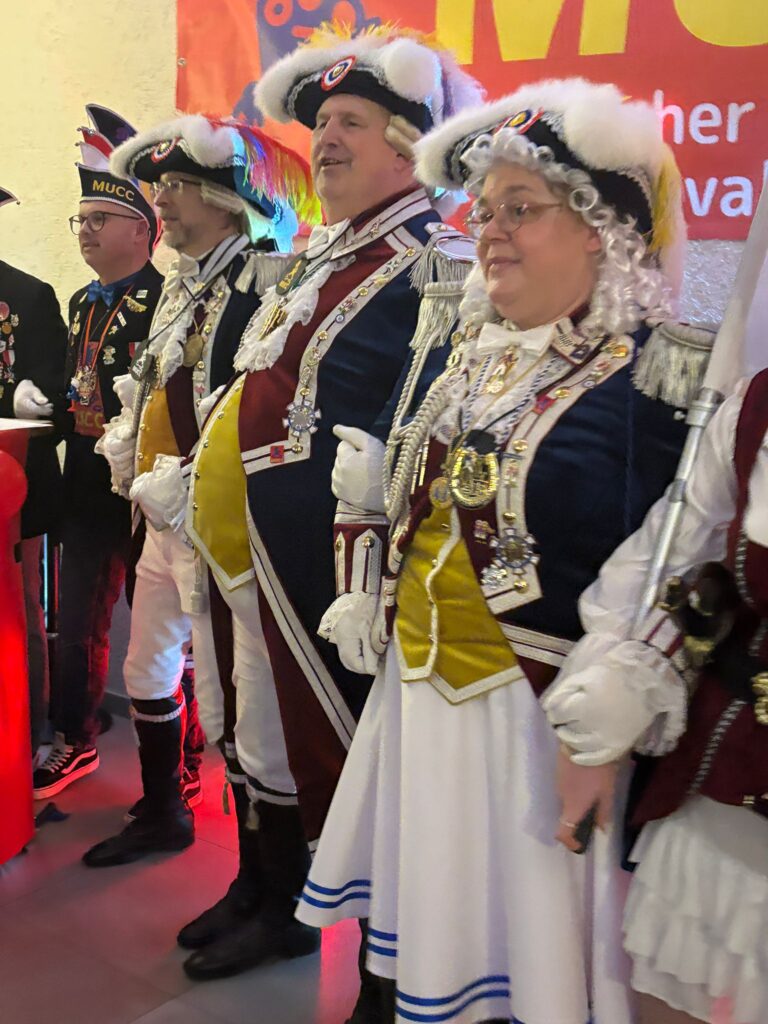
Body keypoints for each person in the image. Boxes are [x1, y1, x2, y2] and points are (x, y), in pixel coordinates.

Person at [296, 78, 699, 1024]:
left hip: (539, 726)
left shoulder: (658, 377)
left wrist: (624, 700)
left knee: (534, 959)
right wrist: (369, 583)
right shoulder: (465, 354)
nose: (491, 232)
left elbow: (683, 566)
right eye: (484, 211)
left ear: (600, 228)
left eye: (522, 209)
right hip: (420, 699)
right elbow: (413, 505)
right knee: (436, 934)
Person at [159, 24, 482, 999]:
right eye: (323, 123)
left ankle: (386, 977)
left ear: (410, 142)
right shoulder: (318, 256)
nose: (326, 140)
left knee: (354, 758)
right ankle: (270, 894)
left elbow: (432, 420)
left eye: (351, 122)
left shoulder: (437, 260)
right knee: (259, 734)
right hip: (252, 545)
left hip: (335, 566)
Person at [83, 115, 318, 868]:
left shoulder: (262, 281)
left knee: (236, 697)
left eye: (179, 185)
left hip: (215, 519)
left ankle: (265, 870)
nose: (162, 201)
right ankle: (163, 810)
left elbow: (258, 410)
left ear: (225, 197)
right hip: (158, 512)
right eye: (161, 186)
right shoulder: (184, 284)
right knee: (144, 667)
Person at [543, 362, 768, 1024]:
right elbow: (679, 547)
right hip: (732, 772)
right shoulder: (756, 407)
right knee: (670, 986)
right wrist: (614, 692)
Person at [31, 108, 166, 800]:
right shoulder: (82, 301)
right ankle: (75, 739)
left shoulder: (167, 302)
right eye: (79, 220)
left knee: (161, 629)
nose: (84, 231)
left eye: (99, 220)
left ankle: (179, 764)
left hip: (147, 487)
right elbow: (75, 386)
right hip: (86, 479)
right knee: (78, 616)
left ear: (141, 229)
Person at [0, 187, 68, 760]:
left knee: (21, 607)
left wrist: (29, 393)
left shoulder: (29, 295)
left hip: (15, 485)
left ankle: (30, 725)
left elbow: (56, 390)